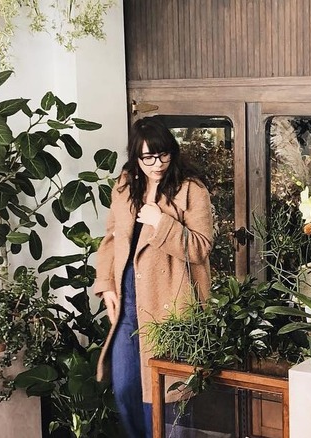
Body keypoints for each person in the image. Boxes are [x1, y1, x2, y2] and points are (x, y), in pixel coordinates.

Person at [93, 117, 213, 438]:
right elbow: (111, 238)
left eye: (163, 155)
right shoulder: (124, 186)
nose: (156, 164)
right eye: (148, 157)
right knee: (126, 387)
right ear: (136, 157)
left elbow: (201, 247)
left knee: (167, 398)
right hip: (129, 306)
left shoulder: (191, 189)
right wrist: (106, 286)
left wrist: (161, 223)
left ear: (172, 153)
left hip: (169, 306)